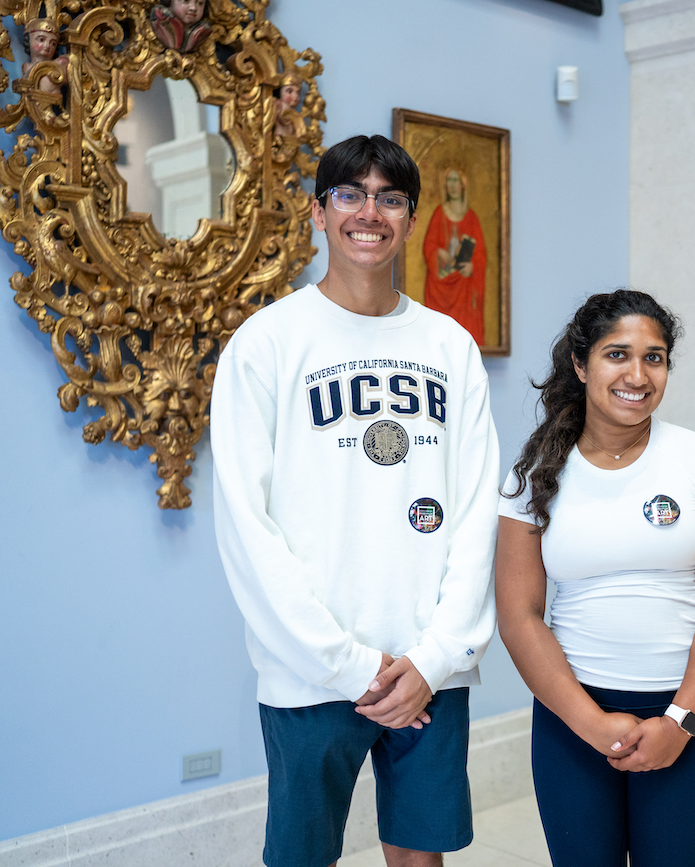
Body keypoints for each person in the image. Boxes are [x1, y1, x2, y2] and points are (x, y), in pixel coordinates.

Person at [212, 134, 500, 867]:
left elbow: (474, 511)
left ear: (410, 218)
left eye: (390, 198)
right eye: (350, 193)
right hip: (310, 668)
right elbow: (248, 524)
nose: (369, 211)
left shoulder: (449, 346)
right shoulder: (267, 342)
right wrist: (344, 664)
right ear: (318, 211)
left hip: (427, 665)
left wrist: (436, 656)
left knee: (419, 855)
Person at [496, 290, 695, 867]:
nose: (638, 375)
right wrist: (590, 723)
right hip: (571, 715)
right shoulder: (533, 472)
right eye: (618, 355)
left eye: (654, 358)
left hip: (686, 712)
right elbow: (519, 615)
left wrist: (681, 721)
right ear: (582, 366)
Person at [421, 168, 487, 345]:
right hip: (441, 282)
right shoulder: (439, 214)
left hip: (463, 287)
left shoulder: (471, 218)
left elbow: (480, 254)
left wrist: (472, 267)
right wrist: (438, 252)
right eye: (448, 180)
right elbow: (429, 246)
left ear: (463, 184)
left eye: (456, 180)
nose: (452, 184)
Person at [20, 17, 67, 96]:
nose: (47, 46)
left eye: (53, 43)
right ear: (28, 40)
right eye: (41, 40)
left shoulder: (59, 64)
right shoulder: (26, 67)